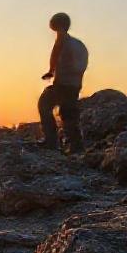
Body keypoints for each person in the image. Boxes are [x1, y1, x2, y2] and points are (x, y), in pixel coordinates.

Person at [37, 12, 88, 152]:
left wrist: (51, 71)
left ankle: (51, 141)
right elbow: (81, 66)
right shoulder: (79, 45)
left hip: (63, 83)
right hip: (75, 84)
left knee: (44, 104)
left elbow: (56, 52)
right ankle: (77, 146)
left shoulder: (63, 40)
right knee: (68, 113)